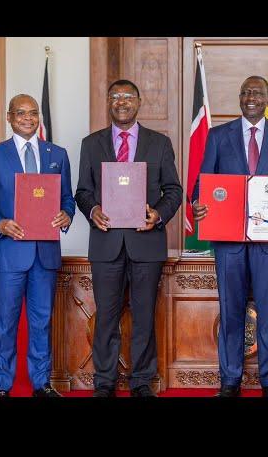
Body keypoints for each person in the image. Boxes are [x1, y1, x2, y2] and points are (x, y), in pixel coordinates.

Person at [192, 76, 268, 398]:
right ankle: (230, 382)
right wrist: (198, 204)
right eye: (245, 92)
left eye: (257, 92)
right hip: (228, 241)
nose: (251, 97)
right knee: (231, 310)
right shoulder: (218, 136)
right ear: (239, 98)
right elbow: (202, 185)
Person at [75, 79, 182, 397]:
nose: (121, 101)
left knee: (144, 314)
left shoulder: (159, 143)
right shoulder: (91, 143)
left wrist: (158, 214)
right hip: (106, 243)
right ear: (109, 102)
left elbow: (174, 191)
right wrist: (92, 209)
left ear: (138, 102)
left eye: (127, 97)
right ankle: (104, 382)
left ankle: (141, 381)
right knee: (106, 316)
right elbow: (82, 191)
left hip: (146, 243)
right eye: (115, 96)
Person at [0, 94, 75, 397]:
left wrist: (67, 215)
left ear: (39, 118)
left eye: (33, 113)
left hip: (45, 254)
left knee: (41, 322)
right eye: (21, 113)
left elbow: (68, 199)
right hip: (10, 252)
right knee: (6, 324)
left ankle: (41, 383)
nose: (28, 118)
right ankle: (1, 386)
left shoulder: (57, 154)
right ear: (9, 117)